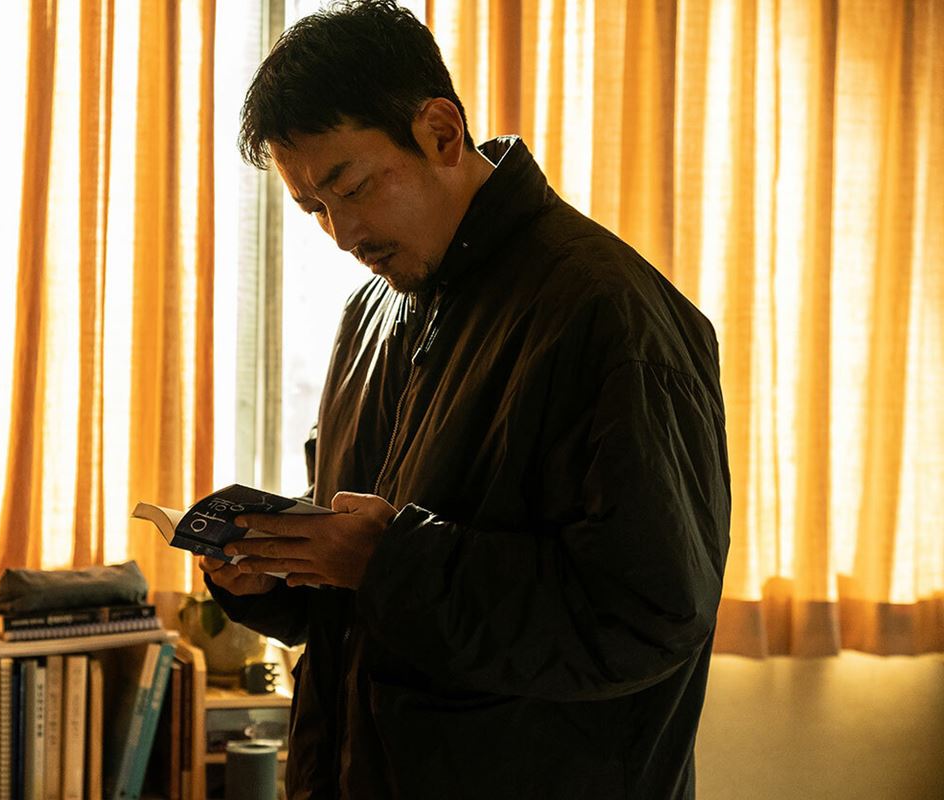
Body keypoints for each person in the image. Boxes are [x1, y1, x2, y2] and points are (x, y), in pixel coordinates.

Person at [200, 1, 731, 797]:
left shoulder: (611, 315)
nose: (342, 233)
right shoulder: (372, 313)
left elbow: (649, 616)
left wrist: (391, 561)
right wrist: (275, 575)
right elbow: (364, 596)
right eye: (315, 208)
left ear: (441, 133)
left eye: (353, 187)